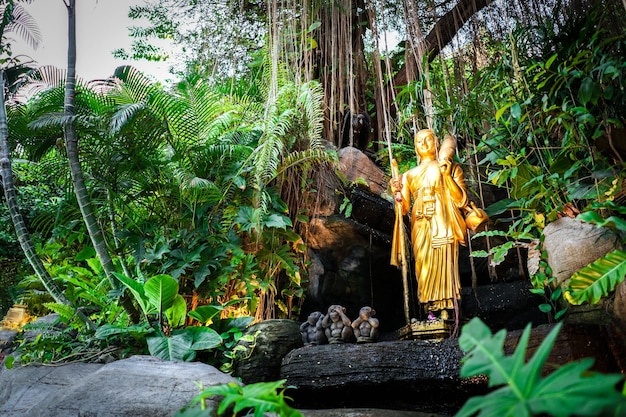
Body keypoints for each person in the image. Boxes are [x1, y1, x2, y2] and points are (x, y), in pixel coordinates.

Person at [390, 129, 469, 314]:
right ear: (415, 148)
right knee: (423, 265)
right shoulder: (409, 175)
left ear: (437, 143)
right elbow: (403, 209)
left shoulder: (450, 167)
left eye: (428, 140)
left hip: (443, 220)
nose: (424, 144)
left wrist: (447, 175)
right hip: (421, 224)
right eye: (419, 141)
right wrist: (397, 194)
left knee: (444, 262)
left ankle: (447, 307)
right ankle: (429, 308)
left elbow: (461, 201)